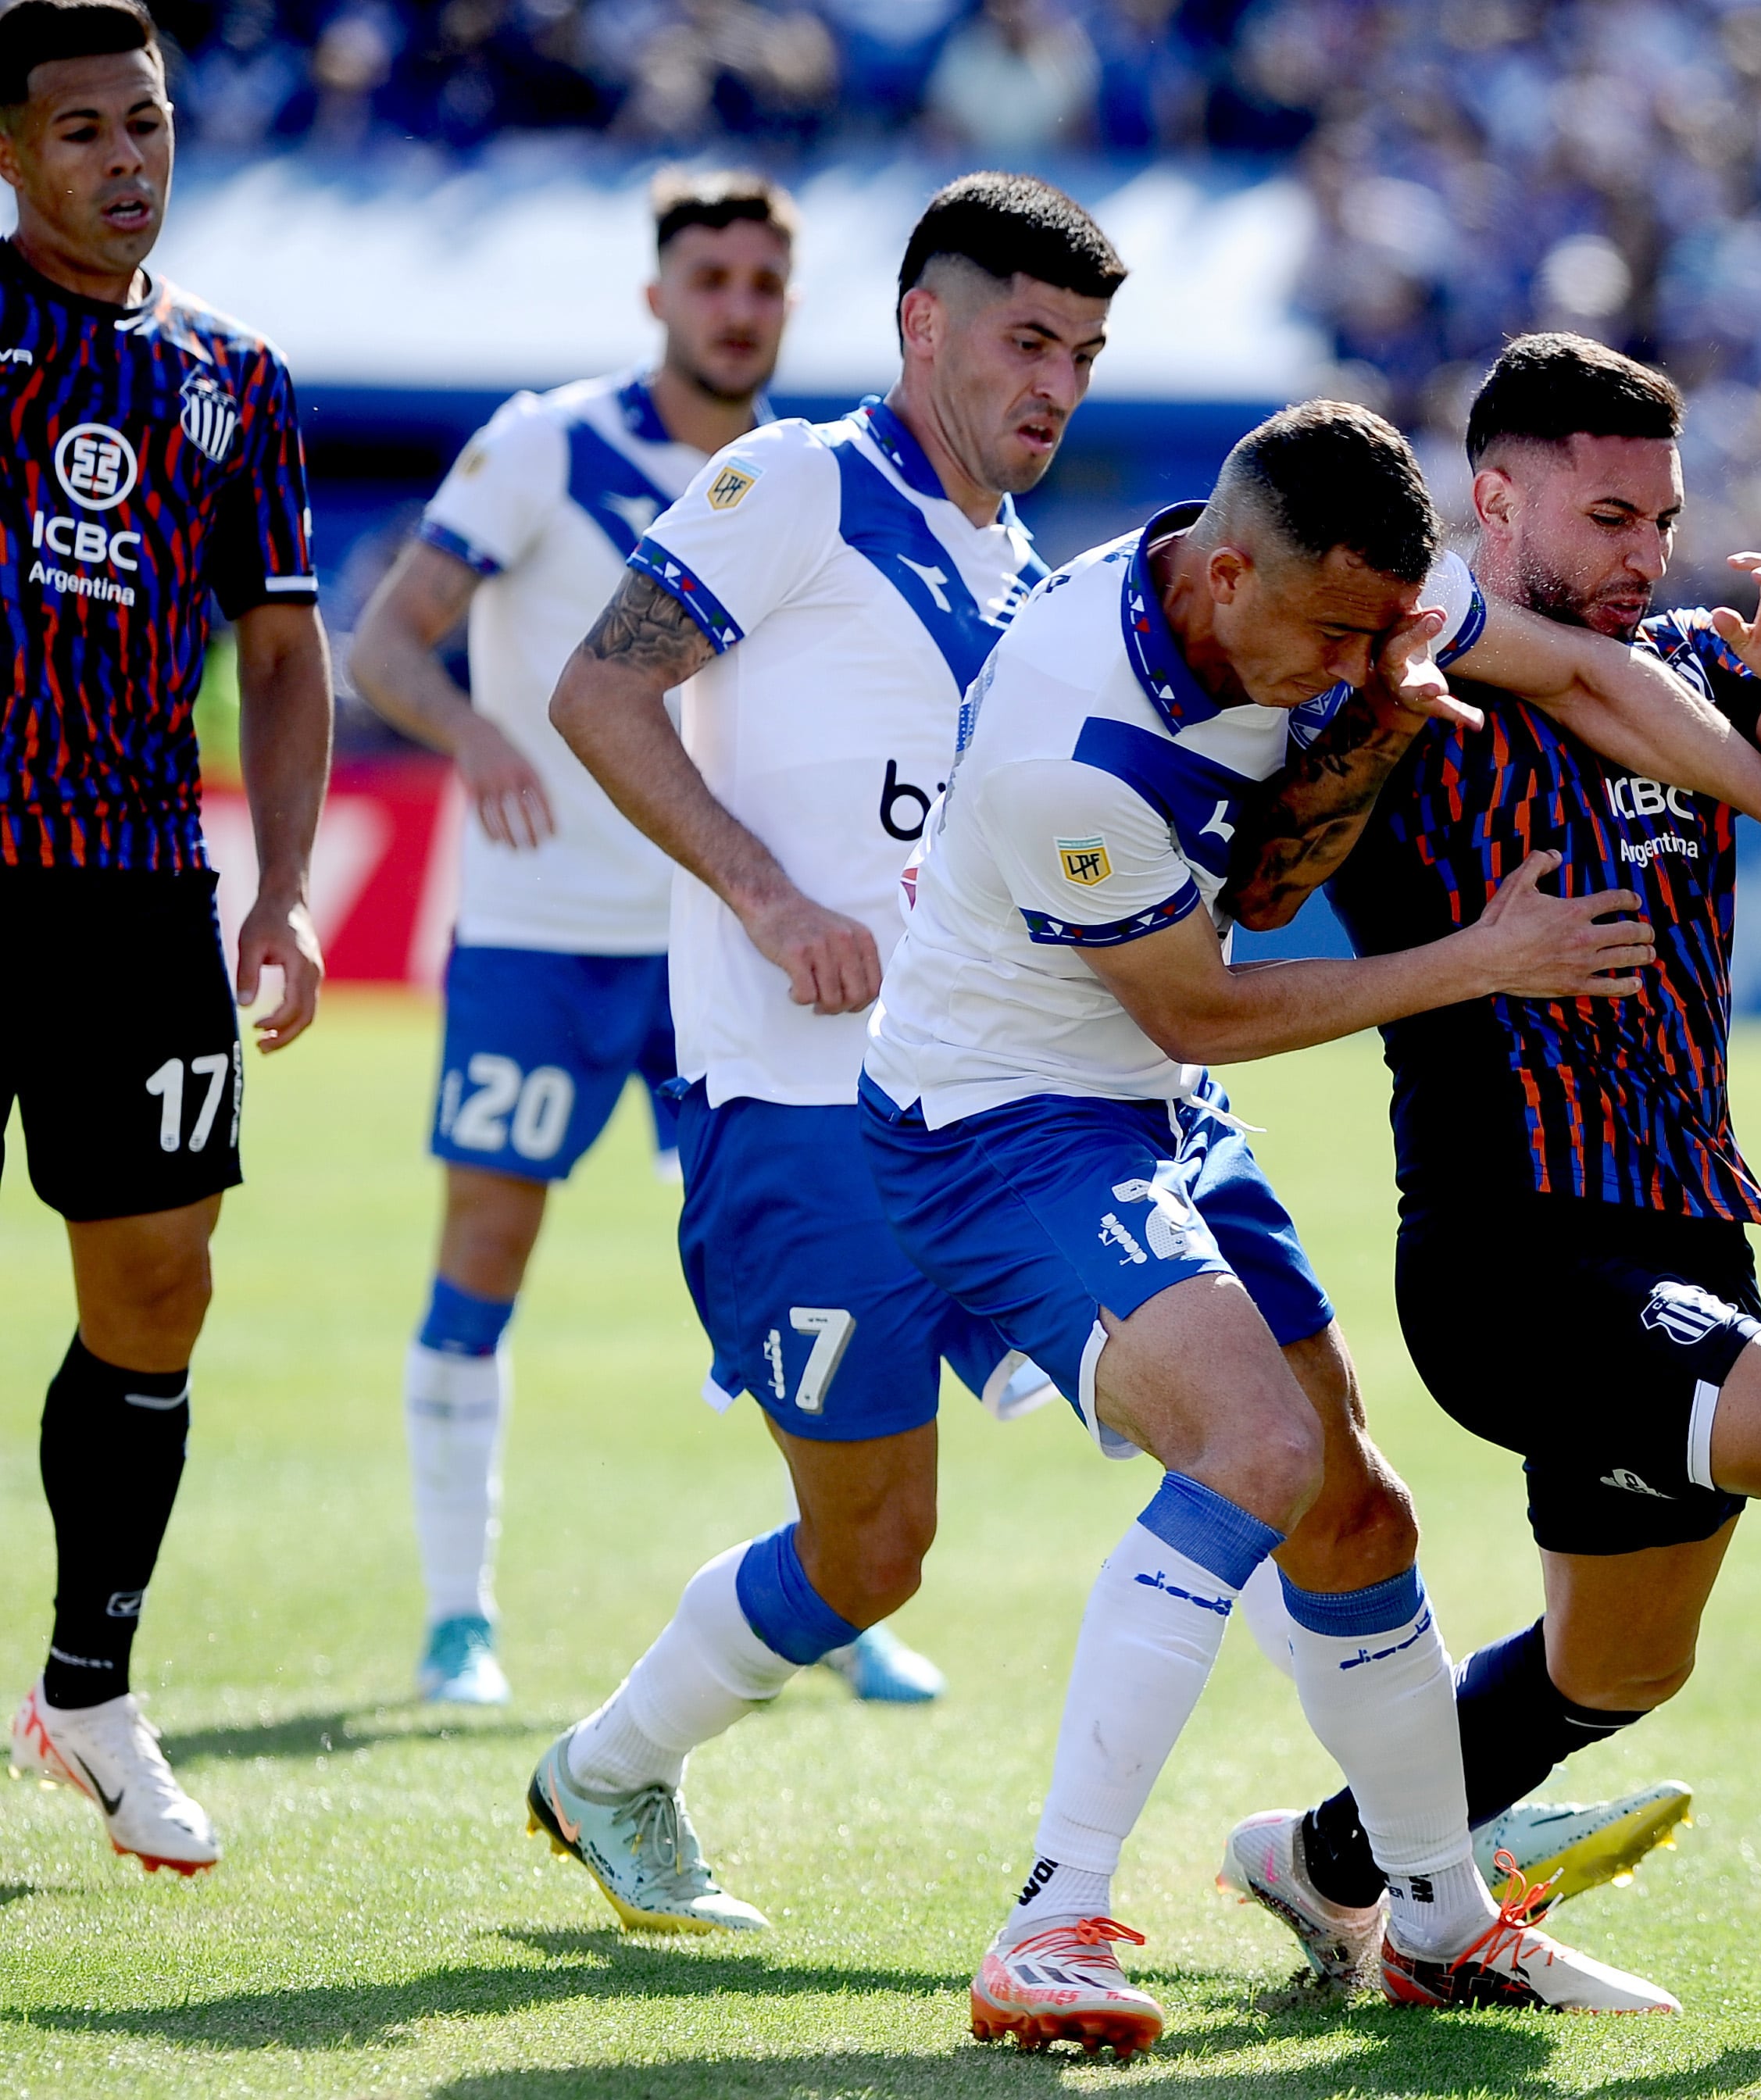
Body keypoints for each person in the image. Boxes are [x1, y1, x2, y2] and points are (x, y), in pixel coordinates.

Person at [860, 396, 1761, 2051]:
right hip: (1013, 1119)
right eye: (1606, 517)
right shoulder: (1074, 748)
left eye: (1656, 522)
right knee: (1257, 1452)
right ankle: (1053, 1918)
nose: (1352, 666)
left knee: (1387, 1538)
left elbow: (1624, 687)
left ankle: (1393, 1897)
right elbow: (1206, 998)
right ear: (1233, 575)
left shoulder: (1377, 611)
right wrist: (1477, 946)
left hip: (1203, 1118)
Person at [1220, 335, 1761, 1986]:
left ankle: (1328, 1861)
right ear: (1494, 499)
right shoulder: (1411, 662)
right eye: (1612, 515)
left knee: (1612, 1669)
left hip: (1690, 1232)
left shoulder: (1697, 656)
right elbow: (1270, 886)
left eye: (1665, 516)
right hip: (1514, 1251)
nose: (1647, 552)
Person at [516, 171, 1115, 1935]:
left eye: (1081, 354)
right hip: (797, 1119)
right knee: (872, 1553)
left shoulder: (1019, 566)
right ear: (921, 326)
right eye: (1025, 341)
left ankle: (1405, 1839)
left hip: (1000, 1120)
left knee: (1258, 1411)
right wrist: (774, 902)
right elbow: (598, 695)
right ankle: (609, 1769)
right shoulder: (792, 483)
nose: (1055, 385)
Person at [348, 173, 942, 1709]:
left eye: (763, 283)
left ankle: (837, 1585)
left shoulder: (805, 482)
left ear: (789, 306)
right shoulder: (546, 442)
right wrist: (475, 737)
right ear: (659, 296)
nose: (737, 306)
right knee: (485, 1256)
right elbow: (387, 642)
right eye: (712, 279)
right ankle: (455, 1619)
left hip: (732, 961)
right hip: (547, 940)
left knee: (795, 1283)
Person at [0, 0, 331, 1876]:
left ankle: (88, 1693)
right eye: (80, 132)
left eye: (147, 125)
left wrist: (282, 892)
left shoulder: (233, 379)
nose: (126, 160)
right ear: (8, 153)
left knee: (156, 1292)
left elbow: (283, 653)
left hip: (133, 894)